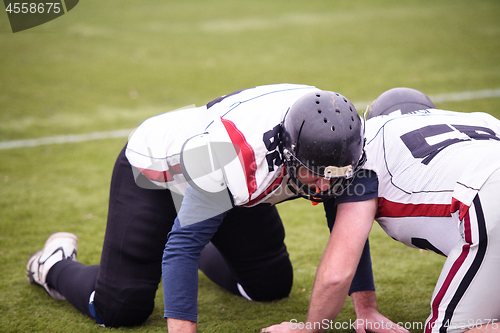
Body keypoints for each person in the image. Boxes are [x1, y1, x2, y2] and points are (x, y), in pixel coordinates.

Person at [26, 84, 404, 333]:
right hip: (160, 169)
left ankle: (206, 225)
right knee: (121, 309)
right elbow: (182, 249)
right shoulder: (236, 158)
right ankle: (53, 264)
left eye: (333, 175)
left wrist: (365, 310)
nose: (325, 186)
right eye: (314, 175)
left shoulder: (343, 141)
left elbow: (346, 224)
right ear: (287, 154)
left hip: (232, 186)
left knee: (269, 287)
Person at [263, 87, 500, 333]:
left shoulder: (367, 144)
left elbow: (336, 274)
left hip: (483, 197)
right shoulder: (480, 118)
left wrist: (308, 329)